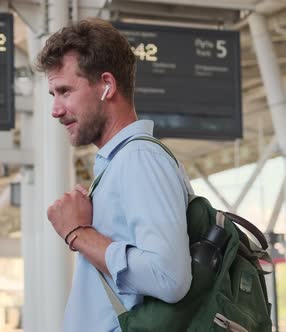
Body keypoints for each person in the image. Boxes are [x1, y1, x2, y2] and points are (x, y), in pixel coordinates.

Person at [37, 19, 193, 331]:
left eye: (65, 91)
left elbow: (169, 277)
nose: (55, 109)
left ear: (107, 84)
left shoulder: (139, 159)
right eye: (53, 94)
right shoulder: (121, 163)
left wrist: (78, 233)